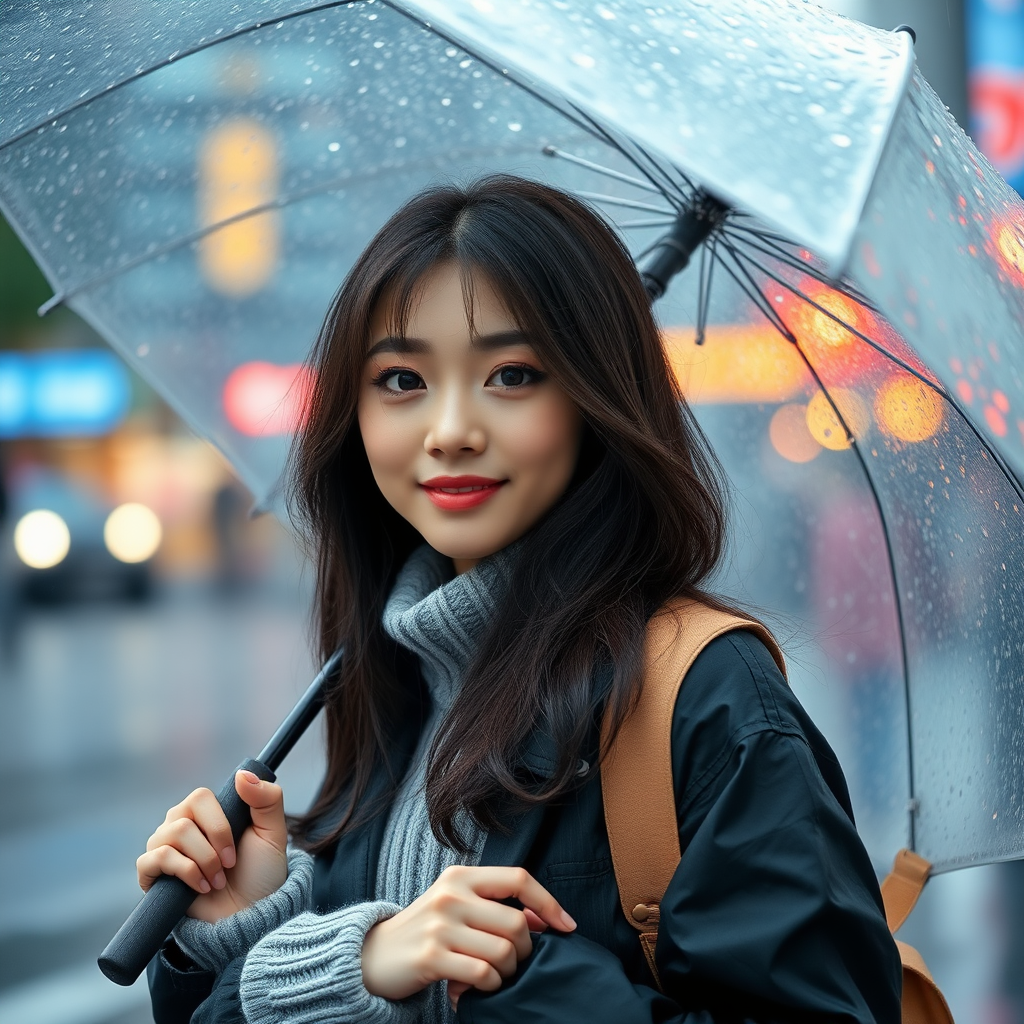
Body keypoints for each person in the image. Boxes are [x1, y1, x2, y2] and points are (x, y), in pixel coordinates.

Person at [143, 176, 901, 1024]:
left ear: (594, 400)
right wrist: (248, 933)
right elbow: (370, 975)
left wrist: (512, 982)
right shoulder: (390, 684)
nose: (451, 428)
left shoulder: (707, 699)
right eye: (401, 380)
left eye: (511, 374)